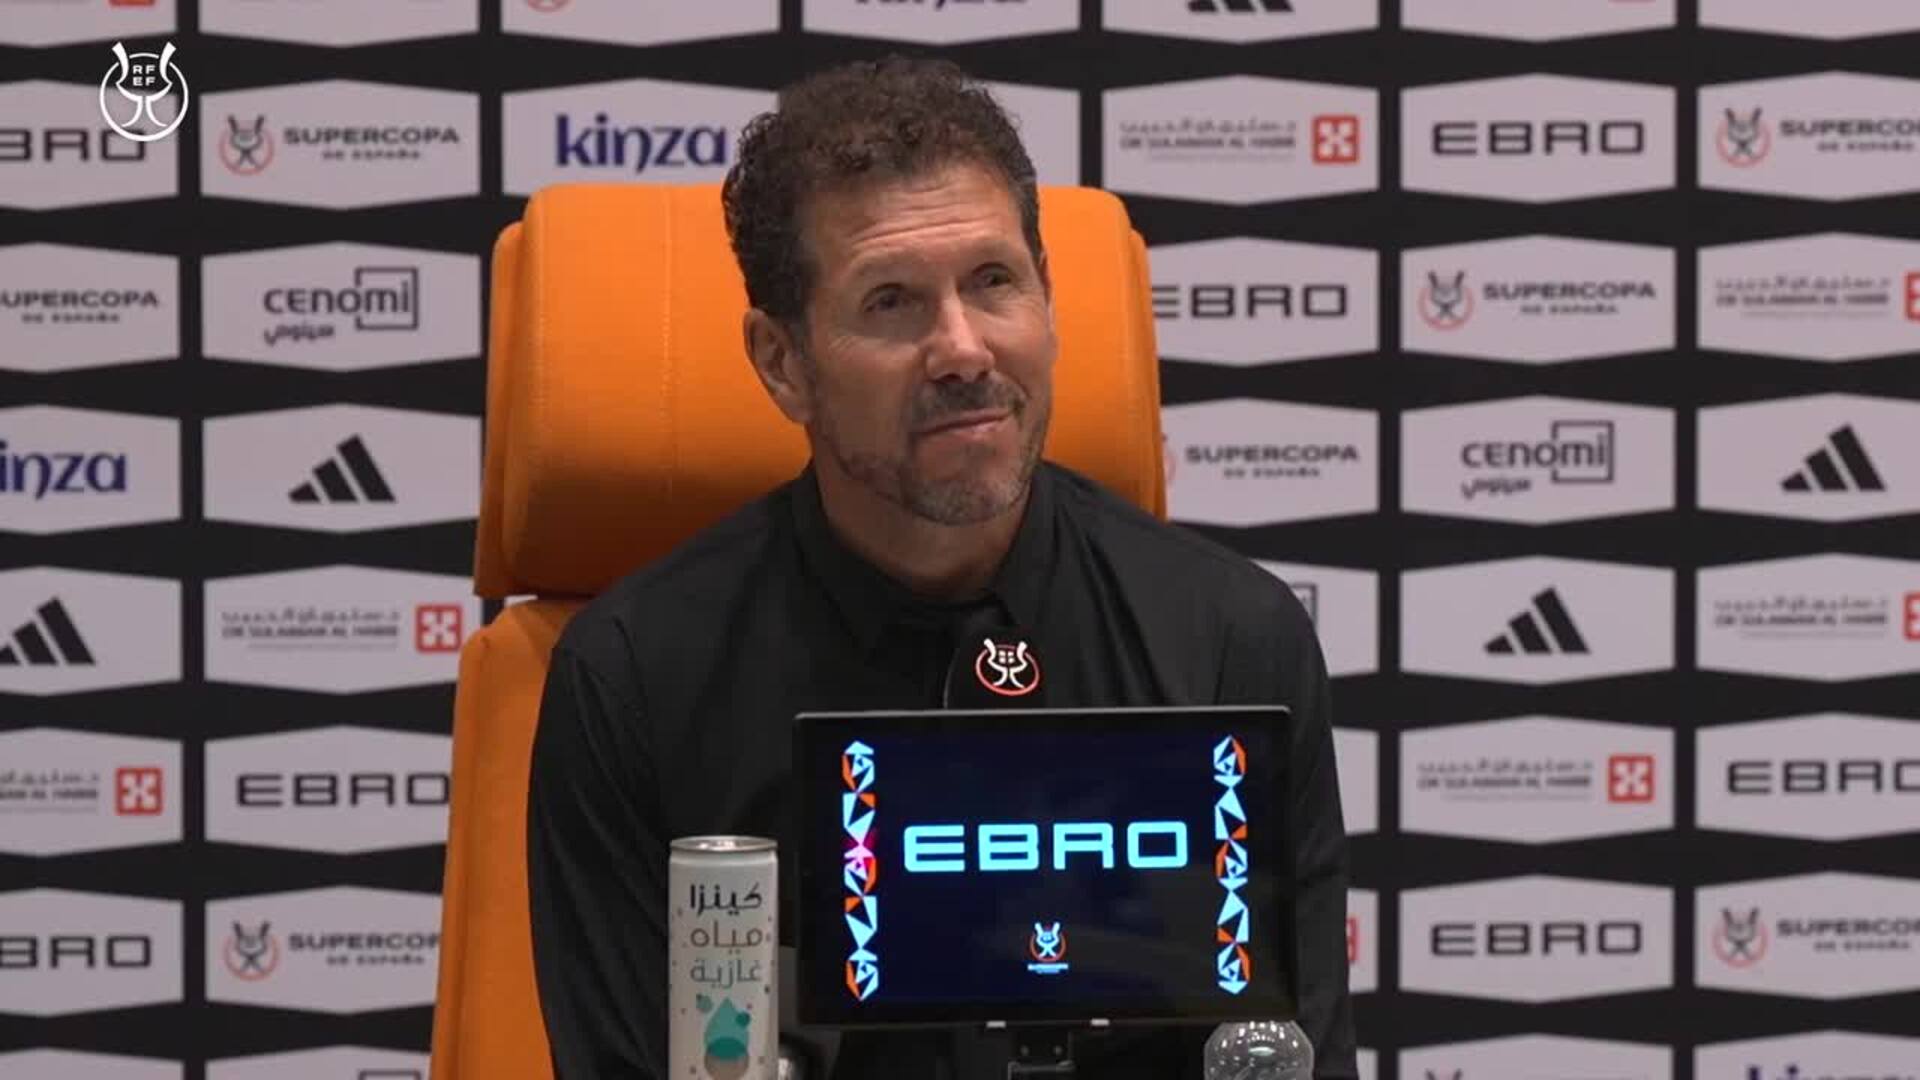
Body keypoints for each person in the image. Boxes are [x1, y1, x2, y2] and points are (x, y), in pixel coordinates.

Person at [525, 55, 1356, 1080]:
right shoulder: (633, 682)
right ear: (783, 363)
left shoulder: (1232, 642)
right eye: (891, 302)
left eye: (994, 282)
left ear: (1049, 303)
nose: (963, 349)